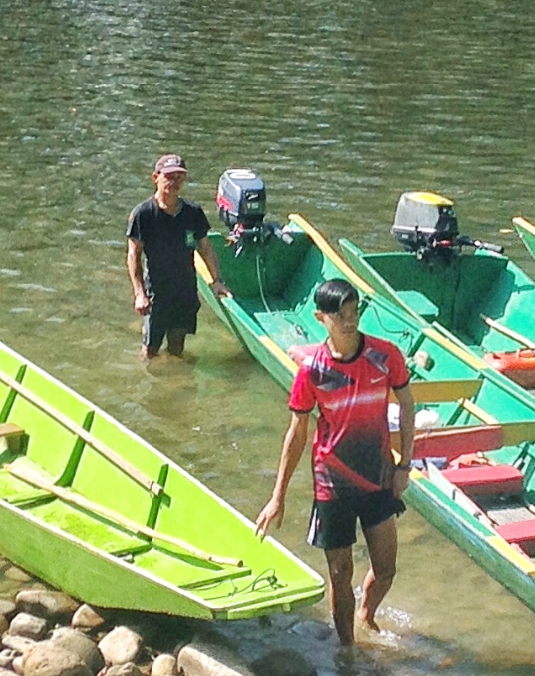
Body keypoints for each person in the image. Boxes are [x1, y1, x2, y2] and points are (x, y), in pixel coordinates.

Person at [254, 277, 414, 645]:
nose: (349, 322)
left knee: (386, 569)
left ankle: (366, 614)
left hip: (377, 477)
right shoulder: (312, 370)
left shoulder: (385, 356)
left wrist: (405, 464)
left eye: (354, 313)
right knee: (340, 572)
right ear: (320, 317)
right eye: (340, 315)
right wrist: (278, 495)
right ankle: (347, 650)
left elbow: (406, 404)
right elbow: (296, 433)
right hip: (332, 482)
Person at [126, 154, 229, 360]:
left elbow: (206, 248)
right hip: (157, 290)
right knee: (150, 349)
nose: (174, 182)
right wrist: (139, 293)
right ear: (155, 177)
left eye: (179, 177)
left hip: (185, 289)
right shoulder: (143, 214)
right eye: (169, 176)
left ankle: (175, 375)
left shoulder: (193, 212)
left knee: (177, 345)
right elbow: (133, 255)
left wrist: (216, 281)